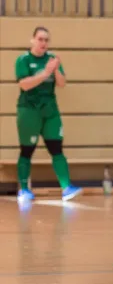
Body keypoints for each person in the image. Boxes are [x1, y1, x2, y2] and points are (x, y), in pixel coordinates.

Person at [15, 27, 82, 203]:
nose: (43, 43)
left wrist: (56, 70)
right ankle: (23, 190)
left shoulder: (52, 60)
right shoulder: (23, 60)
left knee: (56, 148)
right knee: (27, 150)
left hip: (50, 111)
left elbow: (61, 84)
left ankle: (66, 188)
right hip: (29, 111)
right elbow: (24, 85)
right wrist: (45, 73)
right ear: (33, 40)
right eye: (40, 39)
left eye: (46, 40)